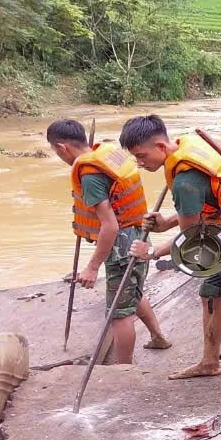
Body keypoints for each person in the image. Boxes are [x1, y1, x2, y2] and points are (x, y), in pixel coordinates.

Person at [122, 115, 221, 380]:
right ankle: (210, 362)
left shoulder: (184, 181)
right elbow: (204, 206)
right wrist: (166, 222)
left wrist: (152, 252)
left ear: (161, 147)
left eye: (142, 156)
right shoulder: (186, 146)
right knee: (210, 293)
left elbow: (190, 242)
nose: (140, 164)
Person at [46, 119, 170, 362]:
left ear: (62, 147)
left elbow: (110, 226)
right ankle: (158, 336)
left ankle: (122, 370)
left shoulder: (90, 174)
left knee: (118, 312)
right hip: (137, 233)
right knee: (131, 289)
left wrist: (92, 267)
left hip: (122, 245)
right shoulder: (105, 154)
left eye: (56, 152)